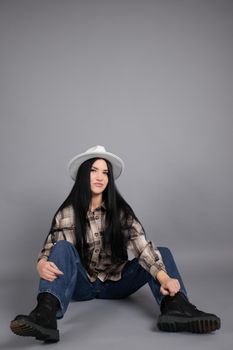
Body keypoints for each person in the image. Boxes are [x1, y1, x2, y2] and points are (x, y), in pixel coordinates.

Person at [10, 145, 221, 343]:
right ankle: (45, 314)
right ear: (84, 174)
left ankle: (176, 308)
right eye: (94, 170)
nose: (100, 177)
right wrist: (41, 263)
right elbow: (50, 249)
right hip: (81, 285)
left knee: (161, 252)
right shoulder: (67, 213)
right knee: (62, 248)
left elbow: (142, 248)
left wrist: (164, 278)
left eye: (105, 172)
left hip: (116, 283)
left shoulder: (121, 213)